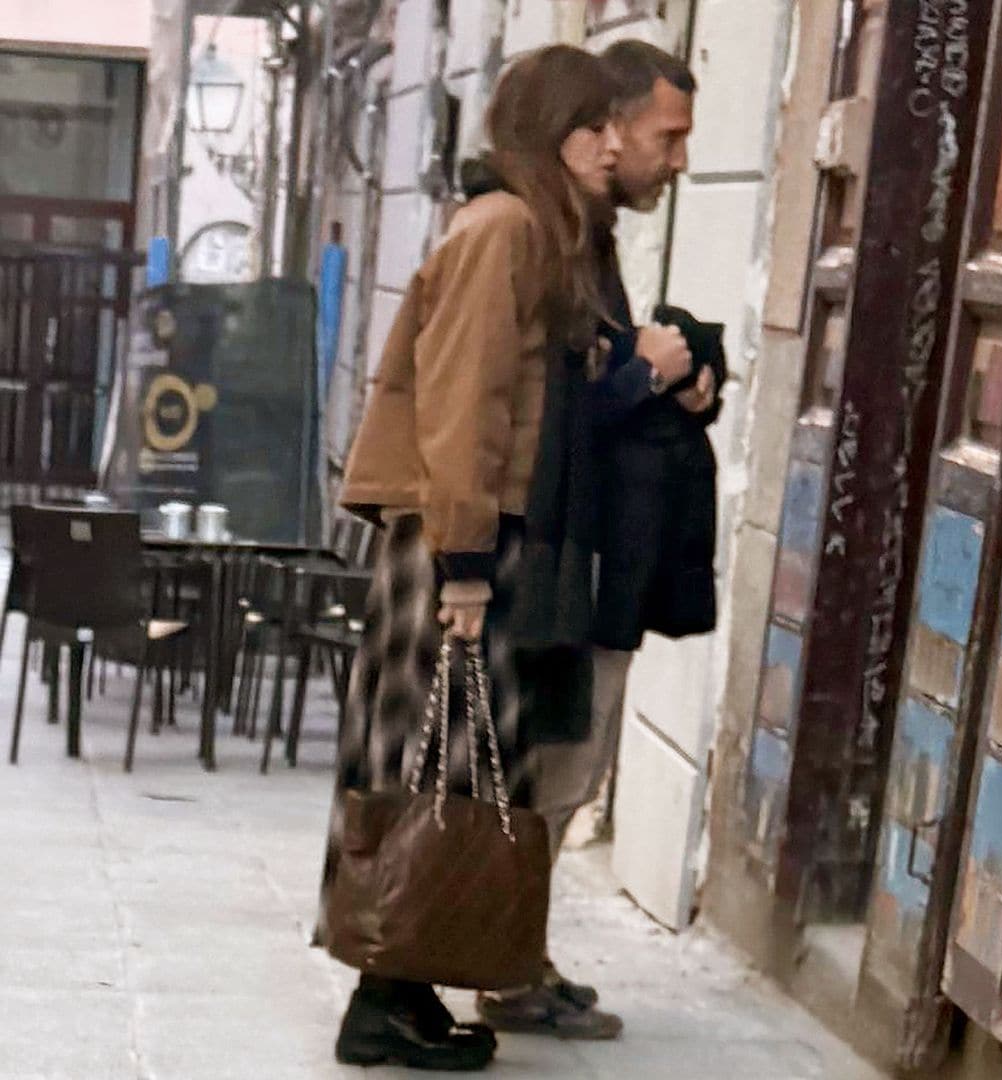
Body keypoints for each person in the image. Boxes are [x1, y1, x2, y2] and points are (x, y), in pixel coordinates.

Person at [315, 45, 623, 1072]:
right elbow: (464, 407)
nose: (613, 144)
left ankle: (402, 985)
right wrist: (464, 566)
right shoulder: (504, 230)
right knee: (428, 762)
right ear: (549, 136)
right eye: (595, 127)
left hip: (478, 536)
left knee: (445, 759)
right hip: (457, 538)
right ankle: (382, 994)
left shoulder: (538, 231)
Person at [478, 40, 722, 1041]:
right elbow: (543, 412)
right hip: (557, 567)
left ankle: (516, 954)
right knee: (551, 769)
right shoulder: (530, 235)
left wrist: (677, 374)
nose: (676, 161)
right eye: (665, 137)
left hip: (597, 567)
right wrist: (637, 375)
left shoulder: (585, 235)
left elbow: (590, 389)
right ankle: (500, 965)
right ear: (603, 130)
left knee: (569, 769)